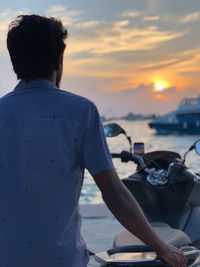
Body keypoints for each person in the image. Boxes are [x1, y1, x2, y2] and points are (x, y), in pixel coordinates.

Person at [0, 14, 187, 267]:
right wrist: (161, 246)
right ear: (59, 59)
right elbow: (113, 192)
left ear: (14, 61)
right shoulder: (80, 111)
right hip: (62, 261)